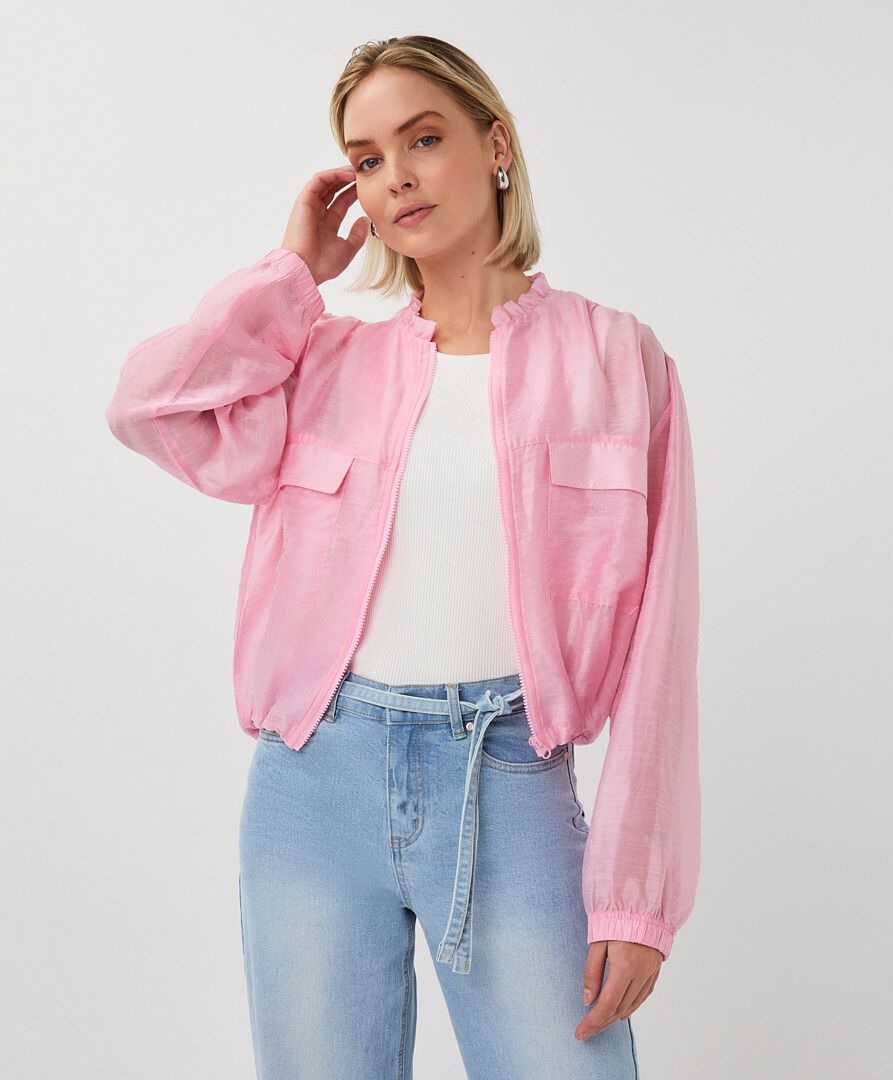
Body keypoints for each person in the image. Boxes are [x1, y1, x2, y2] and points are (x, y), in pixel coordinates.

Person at [105, 34, 700, 1080]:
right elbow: (149, 407)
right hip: (313, 783)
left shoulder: (617, 360)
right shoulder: (325, 362)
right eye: (368, 159)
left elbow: (662, 645)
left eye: (423, 139)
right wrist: (292, 276)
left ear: (495, 144)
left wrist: (635, 898)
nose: (397, 177)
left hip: (509, 780)